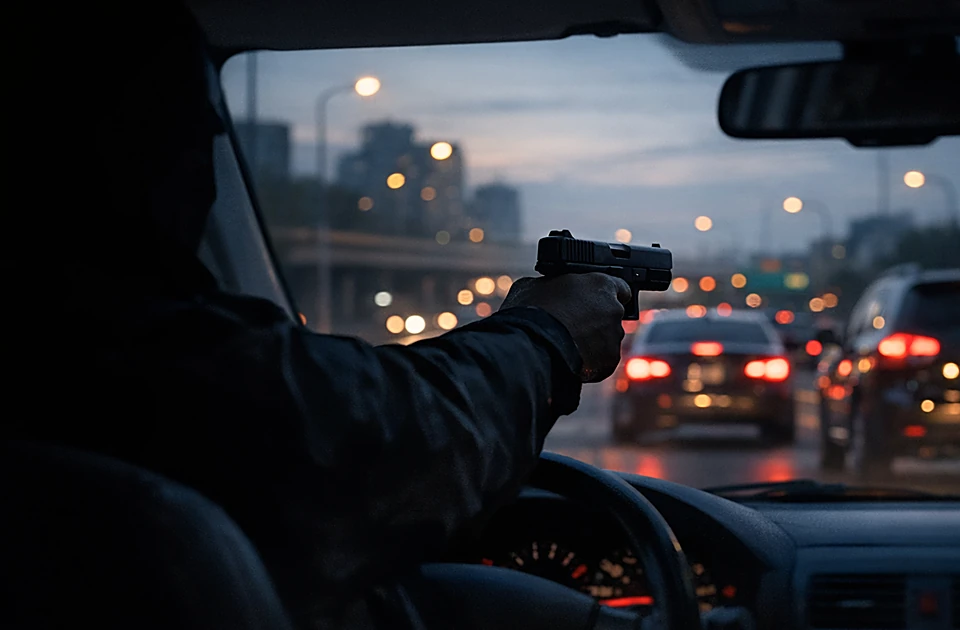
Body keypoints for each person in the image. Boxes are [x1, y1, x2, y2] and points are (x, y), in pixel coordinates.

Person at [15, 3, 629, 629]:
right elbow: (381, 438)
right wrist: (545, 336)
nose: (202, 161)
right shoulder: (122, 346)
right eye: (192, 133)